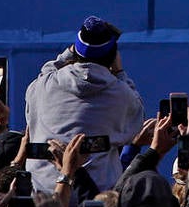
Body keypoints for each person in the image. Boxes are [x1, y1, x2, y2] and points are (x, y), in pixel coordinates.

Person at [23, 15, 145, 194]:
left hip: (44, 199)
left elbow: (47, 70)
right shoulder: (122, 95)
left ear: (75, 52)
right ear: (112, 58)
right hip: (95, 198)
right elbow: (136, 121)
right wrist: (120, 73)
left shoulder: (43, 85)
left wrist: (68, 53)